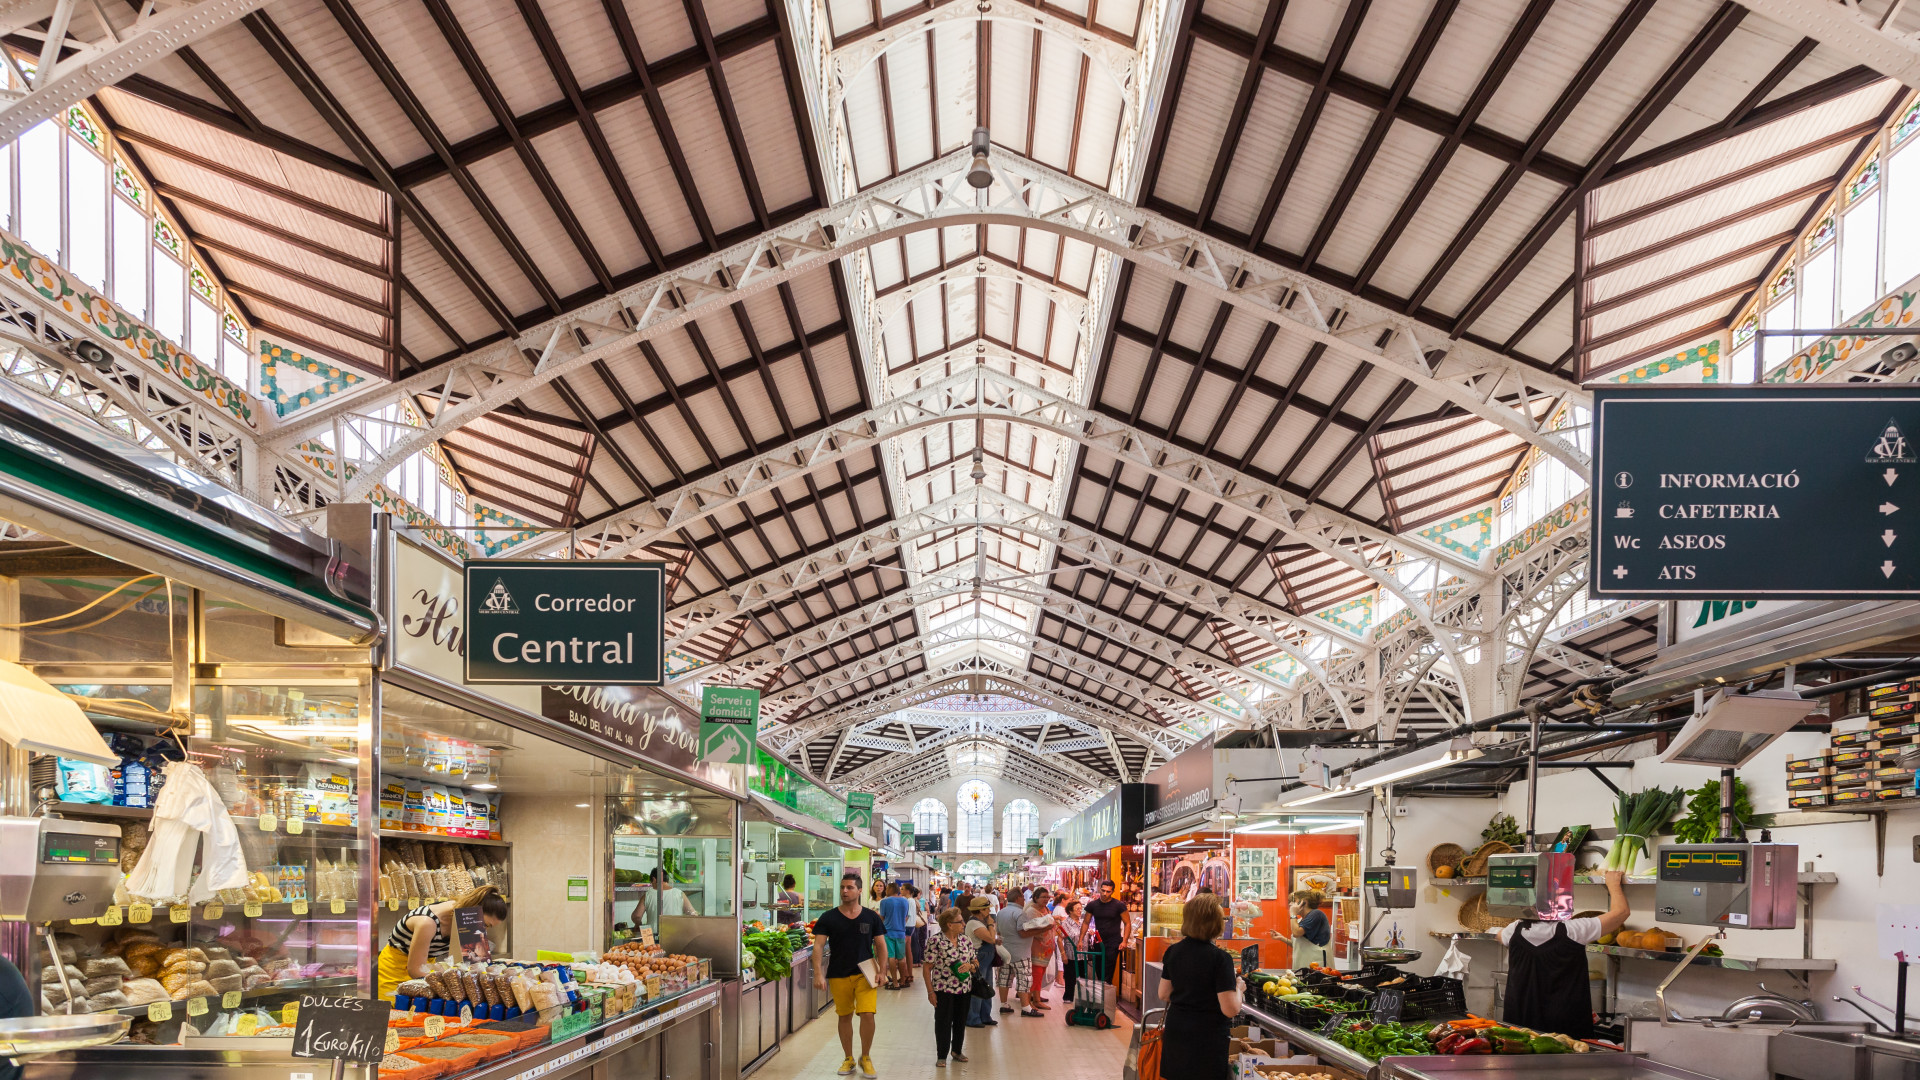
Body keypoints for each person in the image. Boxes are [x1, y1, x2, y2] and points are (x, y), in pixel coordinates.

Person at [1498, 869, 1629, 1039]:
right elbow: (1621, 913)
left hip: (1519, 1027)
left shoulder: (1513, 930)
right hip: (1565, 1031)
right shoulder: (1574, 931)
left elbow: (1499, 936)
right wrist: (1613, 884)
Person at [1158, 893, 1242, 1080]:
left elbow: (1163, 993)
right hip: (1206, 1037)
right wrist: (1239, 989)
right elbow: (1230, 1009)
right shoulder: (1221, 958)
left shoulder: (1173, 951)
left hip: (1177, 1031)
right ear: (1214, 923)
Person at [813, 872, 888, 1078]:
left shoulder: (871, 917)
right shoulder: (829, 917)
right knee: (844, 1016)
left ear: (860, 890)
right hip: (838, 973)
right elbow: (818, 946)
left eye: (850, 887)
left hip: (866, 973)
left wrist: (883, 971)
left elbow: (881, 945)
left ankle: (866, 1057)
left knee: (867, 1013)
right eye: (842, 887)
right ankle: (849, 1058)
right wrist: (818, 974)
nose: (845, 891)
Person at [378, 884, 509, 999]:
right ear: (474, 909)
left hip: (425, 969)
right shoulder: (427, 923)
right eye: (485, 924)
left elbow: (474, 962)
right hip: (394, 972)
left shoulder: (466, 917)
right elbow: (415, 970)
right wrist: (451, 985)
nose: (483, 930)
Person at [923, 906, 977, 1066]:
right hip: (943, 989)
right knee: (943, 1022)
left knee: (960, 1020)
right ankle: (941, 1055)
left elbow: (975, 962)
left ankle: (957, 1051)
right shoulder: (935, 941)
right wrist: (930, 992)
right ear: (949, 924)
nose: (964, 924)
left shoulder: (966, 940)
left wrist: (970, 966)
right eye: (960, 921)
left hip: (964, 989)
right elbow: (927, 968)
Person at [1083, 879, 1128, 985]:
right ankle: (1102, 991)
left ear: (1112, 891)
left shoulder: (1119, 905)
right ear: (1100, 889)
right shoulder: (1093, 905)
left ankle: (1106, 990)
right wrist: (1081, 940)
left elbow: (1127, 923)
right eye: (1103, 890)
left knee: (1108, 970)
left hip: (1113, 942)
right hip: (1098, 941)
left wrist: (1124, 941)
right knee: (1098, 969)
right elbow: (1085, 922)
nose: (1104, 893)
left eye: (1108, 891)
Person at [964, 896, 999, 1028]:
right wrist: (990, 924)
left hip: (985, 957)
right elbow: (991, 938)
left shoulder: (979, 922)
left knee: (986, 986)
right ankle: (973, 1018)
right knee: (978, 987)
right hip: (979, 957)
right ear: (981, 910)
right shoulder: (975, 923)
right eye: (987, 909)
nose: (989, 911)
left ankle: (985, 1016)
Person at [1021, 887, 1058, 1008]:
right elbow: (1031, 929)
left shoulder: (1045, 909)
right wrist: (1047, 927)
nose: (1046, 899)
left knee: (1040, 975)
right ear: (1036, 898)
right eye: (1043, 897)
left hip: (1046, 948)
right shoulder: (1031, 911)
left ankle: (1037, 999)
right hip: (1036, 947)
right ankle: (1029, 1002)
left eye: (1048, 897)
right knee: (1035, 975)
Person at [879, 882, 912, 989]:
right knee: (901, 958)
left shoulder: (884, 901)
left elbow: (882, 917)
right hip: (901, 933)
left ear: (890, 889)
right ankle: (902, 981)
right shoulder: (905, 901)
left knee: (891, 957)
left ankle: (895, 983)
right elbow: (906, 916)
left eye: (886, 888)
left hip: (888, 933)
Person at [1288, 889, 1331, 968]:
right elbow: (1299, 944)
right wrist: (1281, 938)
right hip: (1304, 964)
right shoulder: (1302, 920)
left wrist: (1293, 914)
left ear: (1304, 902)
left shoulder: (1316, 914)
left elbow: (1296, 933)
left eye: (1294, 901)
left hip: (1316, 965)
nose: (1290, 904)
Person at [1057, 899, 1085, 1006]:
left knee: (1082, 977)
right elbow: (1060, 940)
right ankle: (1068, 996)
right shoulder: (1065, 923)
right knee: (1070, 977)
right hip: (1071, 955)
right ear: (1070, 911)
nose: (1080, 911)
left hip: (1083, 954)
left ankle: (1081, 998)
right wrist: (1063, 954)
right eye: (1077, 909)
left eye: (1080, 908)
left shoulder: (1083, 922)